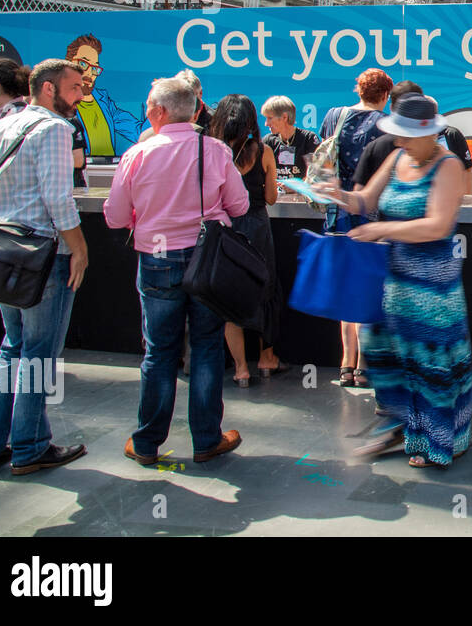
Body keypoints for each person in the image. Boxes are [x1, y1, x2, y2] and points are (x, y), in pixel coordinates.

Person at [321, 93, 472, 467]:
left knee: (429, 363)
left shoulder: (448, 165)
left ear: (427, 134)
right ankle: (408, 430)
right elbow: (364, 201)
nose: (399, 141)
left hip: (432, 288)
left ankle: (438, 441)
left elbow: (437, 225)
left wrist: (383, 230)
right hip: (395, 281)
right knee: (391, 355)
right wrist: (332, 193)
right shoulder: (397, 156)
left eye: (405, 135)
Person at [104, 77, 247, 465]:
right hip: (207, 261)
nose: (146, 112)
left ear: (160, 112)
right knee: (206, 348)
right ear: (196, 109)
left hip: (156, 258)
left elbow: (116, 217)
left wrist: (147, 215)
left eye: (149, 106)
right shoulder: (215, 150)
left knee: (159, 352)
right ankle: (206, 439)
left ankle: (147, 442)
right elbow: (239, 206)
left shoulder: (139, 153)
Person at [0, 60, 89, 476]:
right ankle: (30, 445)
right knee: (38, 355)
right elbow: (58, 199)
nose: (81, 96)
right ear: (49, 89)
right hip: (40, 256)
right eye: (74, 88)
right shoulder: (54, 129)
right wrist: (80, 249)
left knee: (13, 350)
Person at [320, 68, 393, 386]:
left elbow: (324, 161)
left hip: (337, 214)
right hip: (371, 216)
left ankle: (345, 362)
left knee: (346, 288)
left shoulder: (335, 116)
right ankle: (364, 364)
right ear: (386, 96)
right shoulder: (386, 126)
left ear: (358, 90)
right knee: (369, 289)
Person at [208, 95, 287, 388]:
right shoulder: (264, 151)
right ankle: (267, 359)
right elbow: (270, 198)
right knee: (265, 290)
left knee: (230, 297)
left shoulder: (213, 152)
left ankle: (241, 369)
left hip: (226, 228)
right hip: (257, 226)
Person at [353, 81, 472, 196]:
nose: (400, 143)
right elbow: (364, 196)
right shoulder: (390, 154)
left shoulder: (447, 157)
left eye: (407, 138)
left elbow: (466, 173)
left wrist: (465, 204)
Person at [65, 33, 143, 156]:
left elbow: (139, 132)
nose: (89, 73)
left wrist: (160, 106)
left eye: (95, 68)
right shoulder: (60, 103)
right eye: (83, 64)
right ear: (68, 63)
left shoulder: (104, 101)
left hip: (107, 172)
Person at [261, 95, 319, 180]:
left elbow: (316, 175)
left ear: (284, 117)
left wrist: (296, 187)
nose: (266, 123)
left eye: (270, 118)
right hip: (276, 193)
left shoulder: (308, 139)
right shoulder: (268, 141)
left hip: (301, 193)